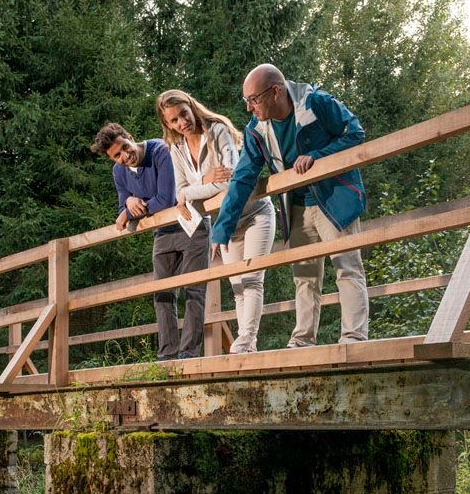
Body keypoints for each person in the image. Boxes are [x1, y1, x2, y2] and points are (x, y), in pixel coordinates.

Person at [210, 64, 370, 347]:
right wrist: (221, 230)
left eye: (254, 99)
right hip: (296, 207)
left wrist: (318, 155)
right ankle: (303, 340)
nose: (249, 108)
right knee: (304, 276)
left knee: (346, 267)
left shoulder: (316, 102)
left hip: (334, 199)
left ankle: (353, 338)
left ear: (275, 91)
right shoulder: (256, 130)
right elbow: (242, 179)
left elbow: (354, 132)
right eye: (246, 100)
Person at [157, 89, 276, 354]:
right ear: (168, 124)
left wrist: (190, 192)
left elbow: (228, 180)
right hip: (225, 224)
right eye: (174, 120)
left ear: (192, 107)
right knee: (237, 286)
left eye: (184, 114)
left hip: (254, 213)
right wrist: (202, 181)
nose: (182, 122)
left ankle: (245, 341)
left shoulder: (217, 130)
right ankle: (248, 345)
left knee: (252, 278)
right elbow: (179, 191)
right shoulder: (176, 149)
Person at [90, 122, 207, 361]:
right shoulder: (119, 172)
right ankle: (167, 356)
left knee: (194, 290)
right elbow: (122, 210)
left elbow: (165, 199)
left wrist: (130, 209)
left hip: (190, 223)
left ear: (130, 137)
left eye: (125, 147)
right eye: (117, 155)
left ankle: (189, 354)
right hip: (162, 232)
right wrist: (127, 203)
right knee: (161, 294)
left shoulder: (161, 150)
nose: (125, 156)